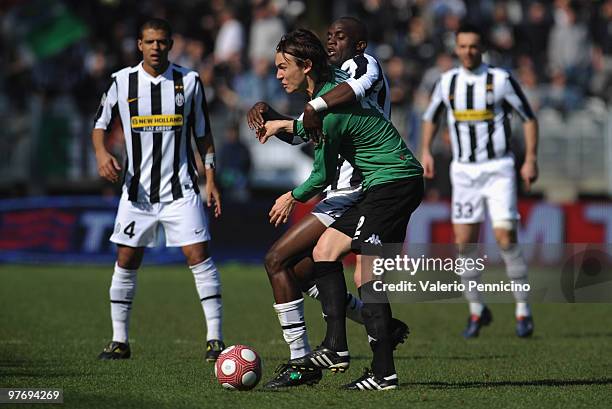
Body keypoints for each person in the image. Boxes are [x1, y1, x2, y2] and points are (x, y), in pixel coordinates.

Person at [247, 17, 408, 389]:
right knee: (304, 271)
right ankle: (370, 330)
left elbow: (323, 131)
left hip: (357, 187)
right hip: (349, 188)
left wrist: (293, 195)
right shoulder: (322, 98)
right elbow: (310, 132)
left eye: (283, 67)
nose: (278, 75)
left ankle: (305, 361)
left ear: (306, 66)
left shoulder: (350, 81)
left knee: (278, 261)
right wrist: (271, 117)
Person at [92, 18, 225, 361]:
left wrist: (210, 180)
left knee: (199, 256)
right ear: (139, 44)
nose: (155, 48)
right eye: (149, 42)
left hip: (180, 190)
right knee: (126, 259)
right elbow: (99, 124)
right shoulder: (122, 82)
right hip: (136, 193)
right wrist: (102, 152)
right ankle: (119, 340)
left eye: (162, 42)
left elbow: (203, 135)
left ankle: (215, 338)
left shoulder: (190, 81)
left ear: (170, 44)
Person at [420, 23, 539, 338]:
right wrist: (426, 152)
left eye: (473, 46)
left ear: (481, 48)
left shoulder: (499, 80)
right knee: (464, 245)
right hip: (464, 172)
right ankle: (476, 310)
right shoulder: (448, 82)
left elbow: (529, 117)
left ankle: (523, 310)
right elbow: (430, 117)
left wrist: (530, 159)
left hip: (498, 168)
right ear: (456, 48)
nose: (468, 51)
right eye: (463, 46)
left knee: (505, 239)